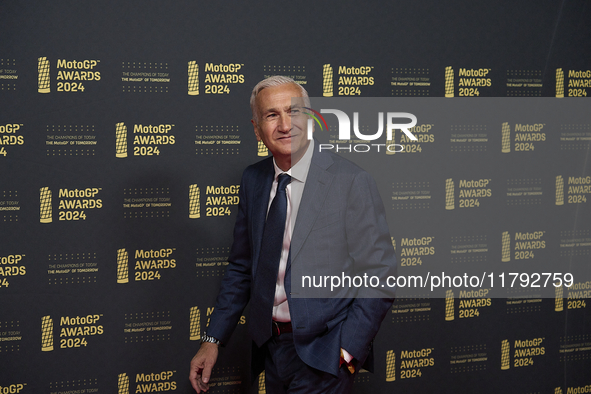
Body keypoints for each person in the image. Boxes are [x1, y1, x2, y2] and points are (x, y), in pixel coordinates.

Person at [189, 76, 396, 393]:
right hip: (271, 350)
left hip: (324, 356)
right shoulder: (254, 180)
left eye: (293, 111)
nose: (285, 125)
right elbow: (242, 267)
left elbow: (380, 273)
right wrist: (212, 339)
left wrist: (348, 350)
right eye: (272, 115)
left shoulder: (350, 180)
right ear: (257, 129)